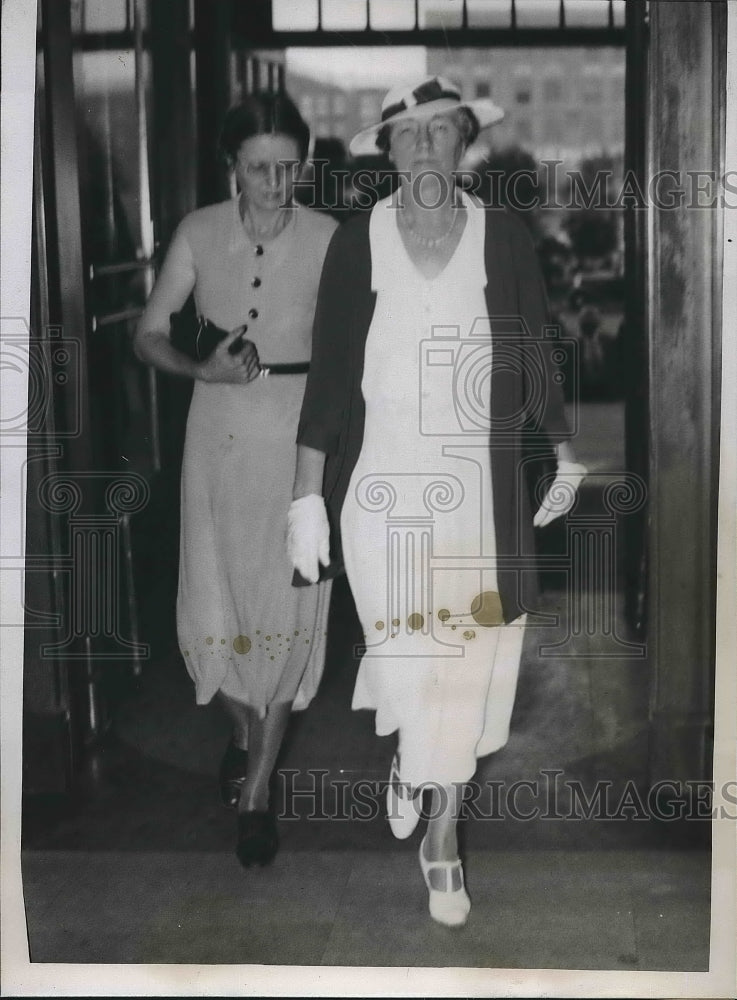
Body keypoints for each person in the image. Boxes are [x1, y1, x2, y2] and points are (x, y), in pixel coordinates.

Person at [288, 77, 586, 926]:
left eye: (440, 130)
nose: (424, 145)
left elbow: (532, 355)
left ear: (465, 144)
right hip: (380, 491)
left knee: (465, 666)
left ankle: (440, 835)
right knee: (410, 648)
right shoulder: (357, 243)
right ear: (388, 151)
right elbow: (331, 381)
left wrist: (561, 455)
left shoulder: (504, 240)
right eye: (407, 133)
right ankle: (419, 761)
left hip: (479, 491)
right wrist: (304, 499)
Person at [134, 93, 338, 868]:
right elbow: (147, 333)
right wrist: (199, 368)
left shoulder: (328, 239)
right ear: (232, 168)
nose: (275, 183)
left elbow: (353, 349)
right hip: (215, 437)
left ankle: (255, 795)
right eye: (259, 168)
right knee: (212, 604)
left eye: (289, 167)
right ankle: (248, 733)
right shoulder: (196, 232)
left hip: (299, 446)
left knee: (289, 605)